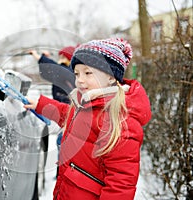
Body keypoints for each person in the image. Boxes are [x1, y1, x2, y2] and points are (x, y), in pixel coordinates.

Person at [24, 38, 152, 199]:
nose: (80, 80)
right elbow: (66, 114)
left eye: (88, 73)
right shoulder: (85, 103)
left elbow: (120, 184)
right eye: (76, 74)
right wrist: (41, 104)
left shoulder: (119, 120)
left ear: (111, 77)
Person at [29, 46, 76, 177]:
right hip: (66, 109)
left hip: (69, 111)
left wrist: (38, 56)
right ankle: (62, 172)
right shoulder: (67, 72)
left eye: (62, 56)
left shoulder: (68, 72)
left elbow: (54, 69)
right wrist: (46, 59)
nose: (60, 58)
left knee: (62, 141)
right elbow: (52, 71)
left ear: (68, 59)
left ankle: (63, 173)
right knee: (62, 141)